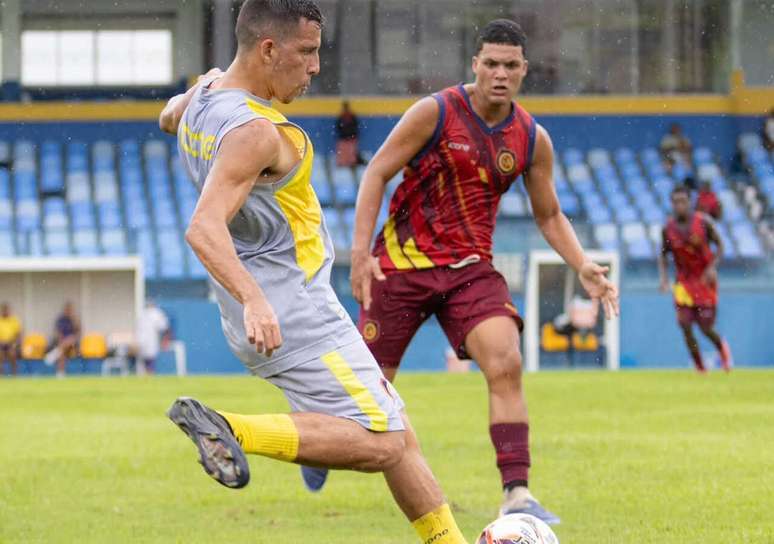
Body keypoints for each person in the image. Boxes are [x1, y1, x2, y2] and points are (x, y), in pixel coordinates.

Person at [158, 2, 467, 543]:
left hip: (259, 307)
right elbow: (203, 228)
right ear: (268, 50)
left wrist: (181, 104)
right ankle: (231, 429)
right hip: (291, 308)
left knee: (398, 427)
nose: (316, 67)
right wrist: (257, 299)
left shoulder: (206, 90)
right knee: (383, 441)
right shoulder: (256, 133)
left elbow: (169, 116)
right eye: (307, 52)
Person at [350, 19, 619, 524]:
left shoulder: (532, 138)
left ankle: (517, 493)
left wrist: (582, 263)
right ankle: (323, 449)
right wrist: (361, 253)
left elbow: (549, 214)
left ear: (524, 70)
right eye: (490, 63)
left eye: (510, 65)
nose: (499, 73)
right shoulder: (435, 112)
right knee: (368, 398)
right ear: (474, 64)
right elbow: (377, 170)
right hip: (401, 269)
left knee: (506, 362)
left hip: (470, 271)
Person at [658, 185, 732, 373]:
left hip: (704, 281)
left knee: (705, 328)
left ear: (689, 202)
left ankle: (722, 350)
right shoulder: (667, 229)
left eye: (683, 201)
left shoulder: (704, 222)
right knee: (685, 325)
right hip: (683, 282)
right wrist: (664, 278)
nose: (679, 205)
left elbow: (721, 246)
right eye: (675, 202)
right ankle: (700, 366)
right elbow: (663, 255)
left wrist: (712, 267)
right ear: (671, 204)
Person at [136, 299, 170, 375]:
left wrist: (165, 339)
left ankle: (149, 372)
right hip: (145, 338)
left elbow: (163, 326)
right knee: (146, 356)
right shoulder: (146, 313)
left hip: (149, 338)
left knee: (149, 356)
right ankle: (147, 372)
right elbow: (163, 326)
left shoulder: (154, 313)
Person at [50, 301, 80, 378]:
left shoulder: (75, 319)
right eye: (67, 309)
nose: (68, 311)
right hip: (63, 343)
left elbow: (78, 333)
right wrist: (61, 340)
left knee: (71, 338)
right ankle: (61, 373)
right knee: (62, 353)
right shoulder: (61, 319)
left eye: (70, 309)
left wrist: (73, 319)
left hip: (73, 344)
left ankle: (55, 353)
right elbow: (58, 332)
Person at [335, 100, 366, 168]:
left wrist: (350, 134)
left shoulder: (349, 116)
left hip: (349, 138)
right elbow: (339, 127)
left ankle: (350, 163)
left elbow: (354, 126)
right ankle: (346, 163)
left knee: (350, 152)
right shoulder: (343, 116)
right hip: (346, 137)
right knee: (346, 152)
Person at [0, 303, 22, 376]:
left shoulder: (14, 320)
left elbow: (18, 334)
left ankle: (14, 375)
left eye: (7, 310)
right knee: (1, 355)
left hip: (11, 343)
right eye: (4, 310)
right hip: (1, 344)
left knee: (12, 353)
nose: (5, 311)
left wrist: (15, 343)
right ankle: (1, 374)